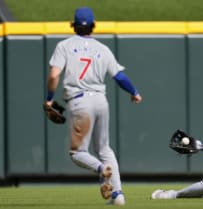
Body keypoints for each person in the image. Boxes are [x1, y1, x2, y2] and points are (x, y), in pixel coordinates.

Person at [44, 7, 142, 205]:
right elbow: (119, 77)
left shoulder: (64, 45)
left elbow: (54, 75)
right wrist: (134, 92)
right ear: (93, 26)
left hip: (79, 101)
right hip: (100, 101)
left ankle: (100, 170)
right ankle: (118, 195)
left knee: (77, 153)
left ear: (73, 26)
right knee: (105, 148)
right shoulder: (102, 48)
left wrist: (49, 98)